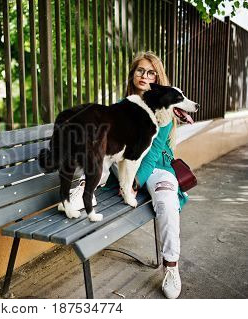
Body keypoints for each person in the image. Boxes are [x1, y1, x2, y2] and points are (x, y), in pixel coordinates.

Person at [68, 51, 189, 299]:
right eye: (140, 70)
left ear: (158, 77)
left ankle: (171, 267)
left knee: (166, 201)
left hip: (154, 168)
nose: (144, 76)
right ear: (132, 74)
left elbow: (153, 152)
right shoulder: (126, 104)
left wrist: (135, 182)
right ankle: (80, 190)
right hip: (122, 164)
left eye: (151, 72)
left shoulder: (164, 106)